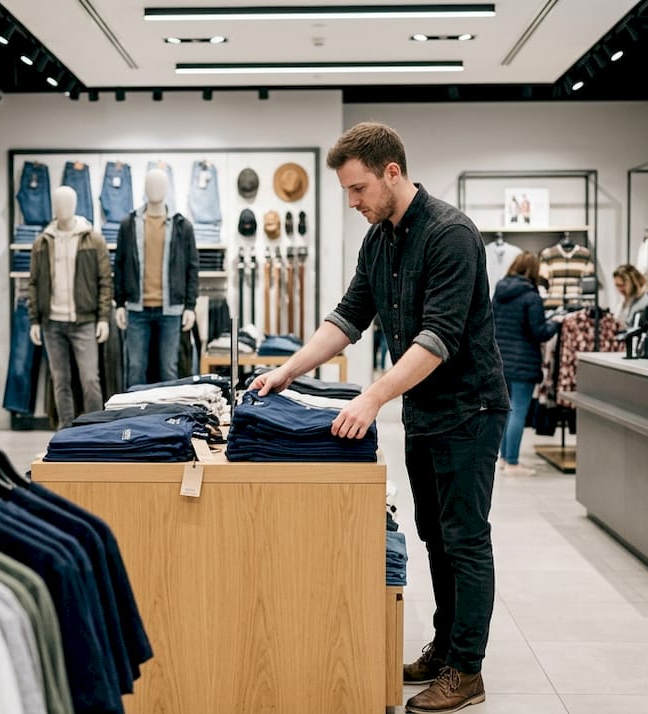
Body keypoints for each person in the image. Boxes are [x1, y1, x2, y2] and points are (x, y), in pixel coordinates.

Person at [251, 122, 508, 713]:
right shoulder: (379, 240)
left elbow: (438, 338)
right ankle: (445, 649)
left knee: (465, 539)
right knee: (435, 537)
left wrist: (371, 398)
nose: (353, 202)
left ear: (392, 172)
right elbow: (347, 318)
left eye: (358, 188)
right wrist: (287, 370)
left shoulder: (451, 234)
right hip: (425, 409)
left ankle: (467, 670)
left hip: (470, 408)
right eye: (347, 191)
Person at [29, 185, 112, 427]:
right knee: (60, 381)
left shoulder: (93, 239)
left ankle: (95, 431)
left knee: (90, 380)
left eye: (66, 202)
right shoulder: (42, 242)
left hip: (84, 320)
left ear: (75, 205)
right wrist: (34, 320)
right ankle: (65, 431)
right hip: (52, 323)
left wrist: (103, 318)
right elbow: (33, 283)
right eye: (57, 202)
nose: (61, 207)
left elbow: (105, 281)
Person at [114, 168, 198, 387]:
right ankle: (134, 410)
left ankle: (170, 410)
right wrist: (120, 303)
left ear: (167, 188)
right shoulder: (129, 224)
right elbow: (120, 264)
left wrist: (190, 306)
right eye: (151, 184)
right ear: (144, 188)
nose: (155, 189)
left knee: (169, 369)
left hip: (171, 310)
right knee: (135, 369)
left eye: (160, 184)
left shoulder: (182, 226)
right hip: (137, 309)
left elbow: (192, 268)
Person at [492, 253, 560, 477]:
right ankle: (513, 462)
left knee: (506, 411)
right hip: (523, 362)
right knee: (518, 412)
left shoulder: (500, 291)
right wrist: (555, 323)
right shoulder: (532, 297)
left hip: (500, 359)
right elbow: (539, 332)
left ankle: (503, 458)